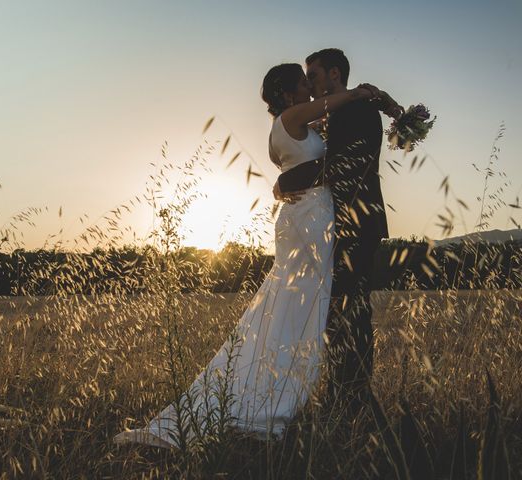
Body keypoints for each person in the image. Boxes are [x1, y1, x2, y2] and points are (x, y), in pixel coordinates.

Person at [113, 63, 383, 449]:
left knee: (292, 303)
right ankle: (273, 393)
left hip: (300, 216)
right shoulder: (293, 116)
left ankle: (271, 379)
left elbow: (309, 155)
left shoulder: (286, 128)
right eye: (305, 82)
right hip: (310, 218)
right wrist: (359, 94)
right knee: (306, 303)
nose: (311, 87)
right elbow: (331, 112)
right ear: (289, 94)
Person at [273, 48, 403, 416]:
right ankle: (344, 394)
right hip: (339, 224)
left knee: (353, 312)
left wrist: (287, 180)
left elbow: (343, 165)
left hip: (358, 224)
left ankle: (355, 400)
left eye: (313, 75)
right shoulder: (340, 111)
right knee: (337, 314)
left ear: (334, 74)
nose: (309, 82)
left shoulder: (357, 110)